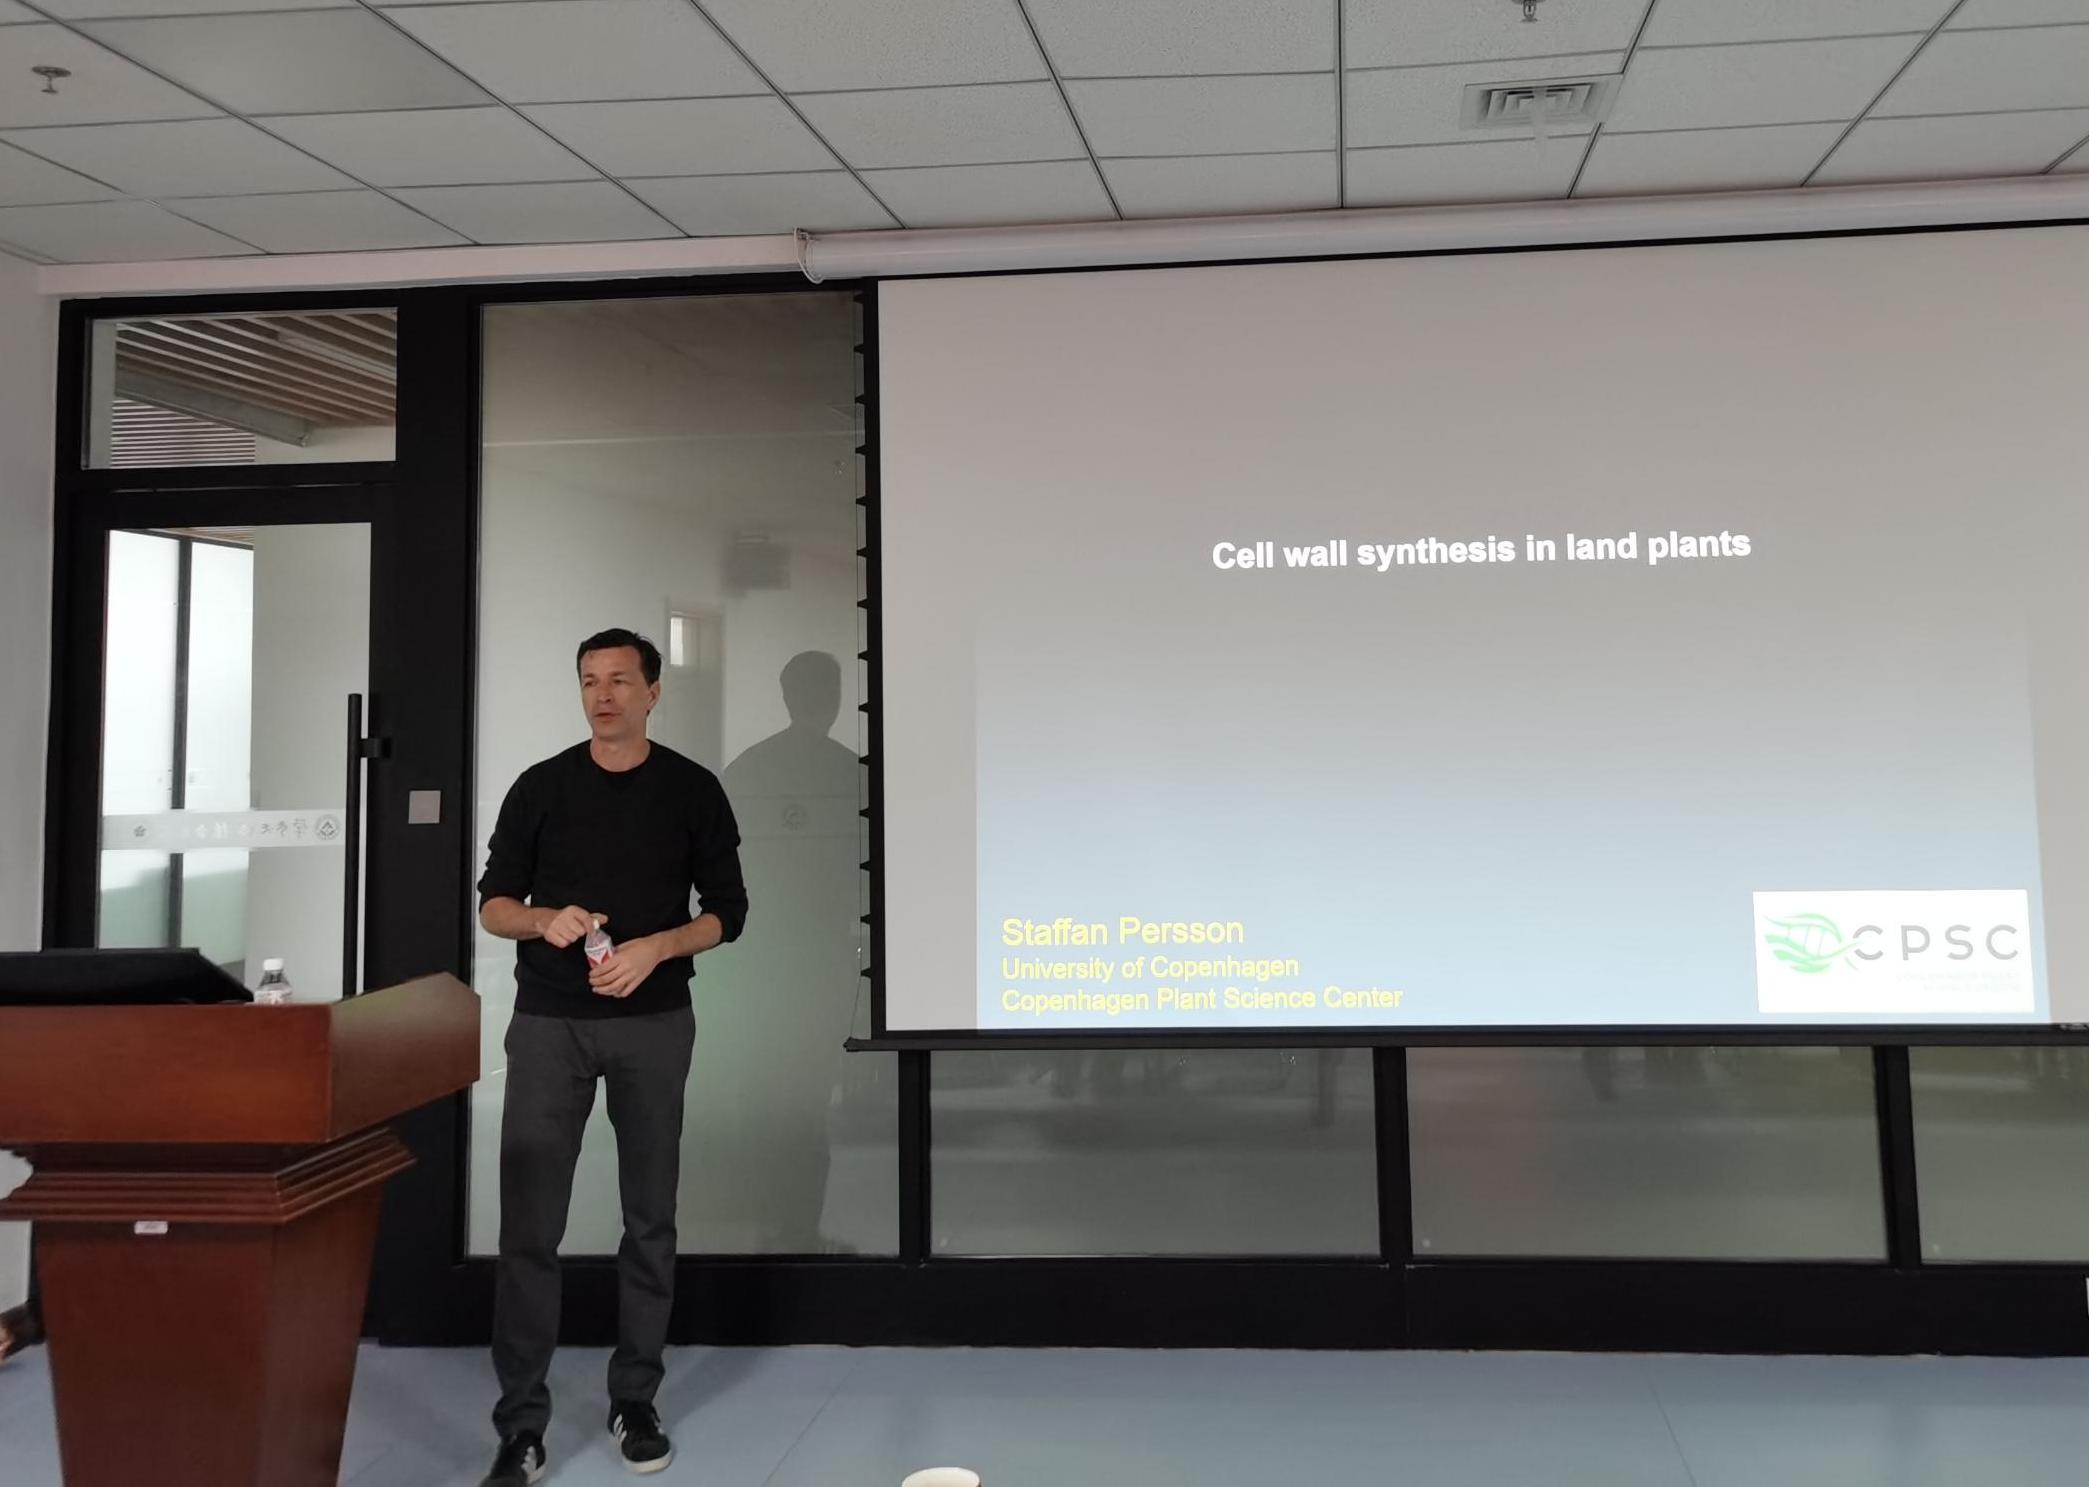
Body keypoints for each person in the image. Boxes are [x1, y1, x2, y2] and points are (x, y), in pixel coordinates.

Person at [476, 628, 747, 1486]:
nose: (603, 695)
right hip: (548, 1023)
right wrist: (541, 918)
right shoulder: (540, 786)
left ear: (653, 692)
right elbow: (493, 904)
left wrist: (657, 945)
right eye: (590, 680)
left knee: (649, 1216)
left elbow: (729, 912)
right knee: (529, 1225)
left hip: (653, 1020)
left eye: (621, 680)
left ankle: (635, 1399)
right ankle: (521, 1426)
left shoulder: (691, 789)